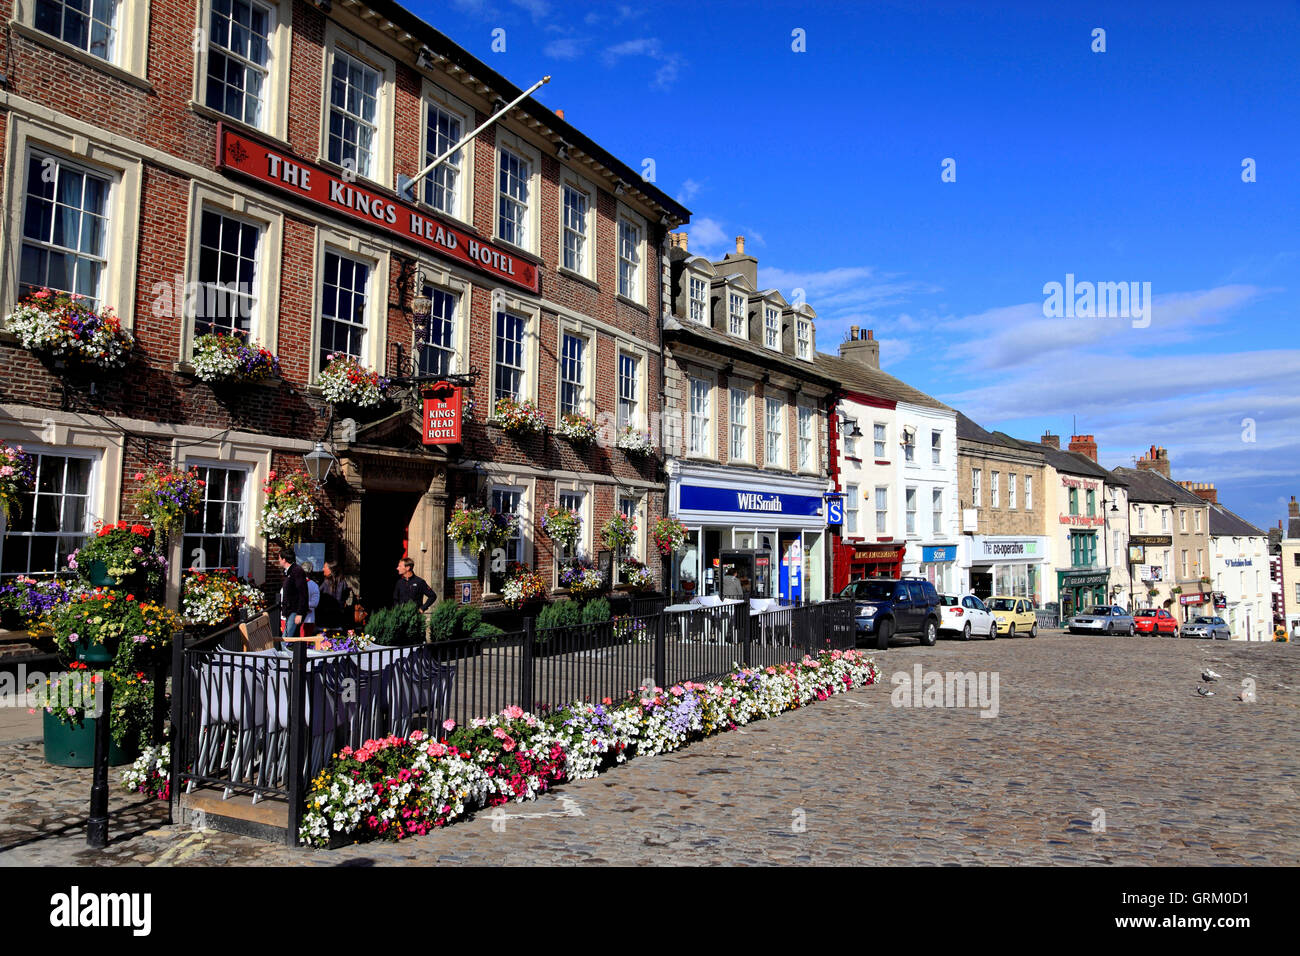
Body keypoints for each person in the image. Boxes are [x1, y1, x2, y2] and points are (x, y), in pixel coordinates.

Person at [277, 548, 309, 642]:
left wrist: (300, 613)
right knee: (290, 638)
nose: (278, 560)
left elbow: (303, 593)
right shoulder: (289, 572)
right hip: (290, 610)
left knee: (285, 640)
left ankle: (286, 652)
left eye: (279, 558)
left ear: (284, 559)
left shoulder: (297, 571)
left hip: (295, 611)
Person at [317, 560, 354, 631]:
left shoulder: (325, 583)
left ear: (331, 570)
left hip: (325, 620)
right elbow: (345, 596)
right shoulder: (343, 582)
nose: (323, 569)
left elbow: (318, 596)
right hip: (338, 619)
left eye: (325, 567)